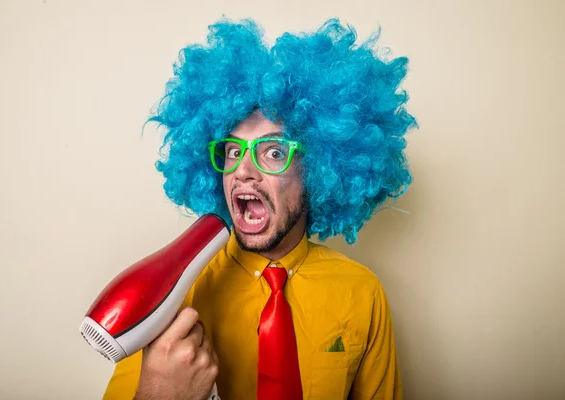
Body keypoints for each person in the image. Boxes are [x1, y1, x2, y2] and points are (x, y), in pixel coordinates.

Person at [103, 17, 416, 400]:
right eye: (233, 151)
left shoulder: (362, 292)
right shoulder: (172, 293)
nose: (243, 171)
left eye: (273, 151)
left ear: (319, 168)